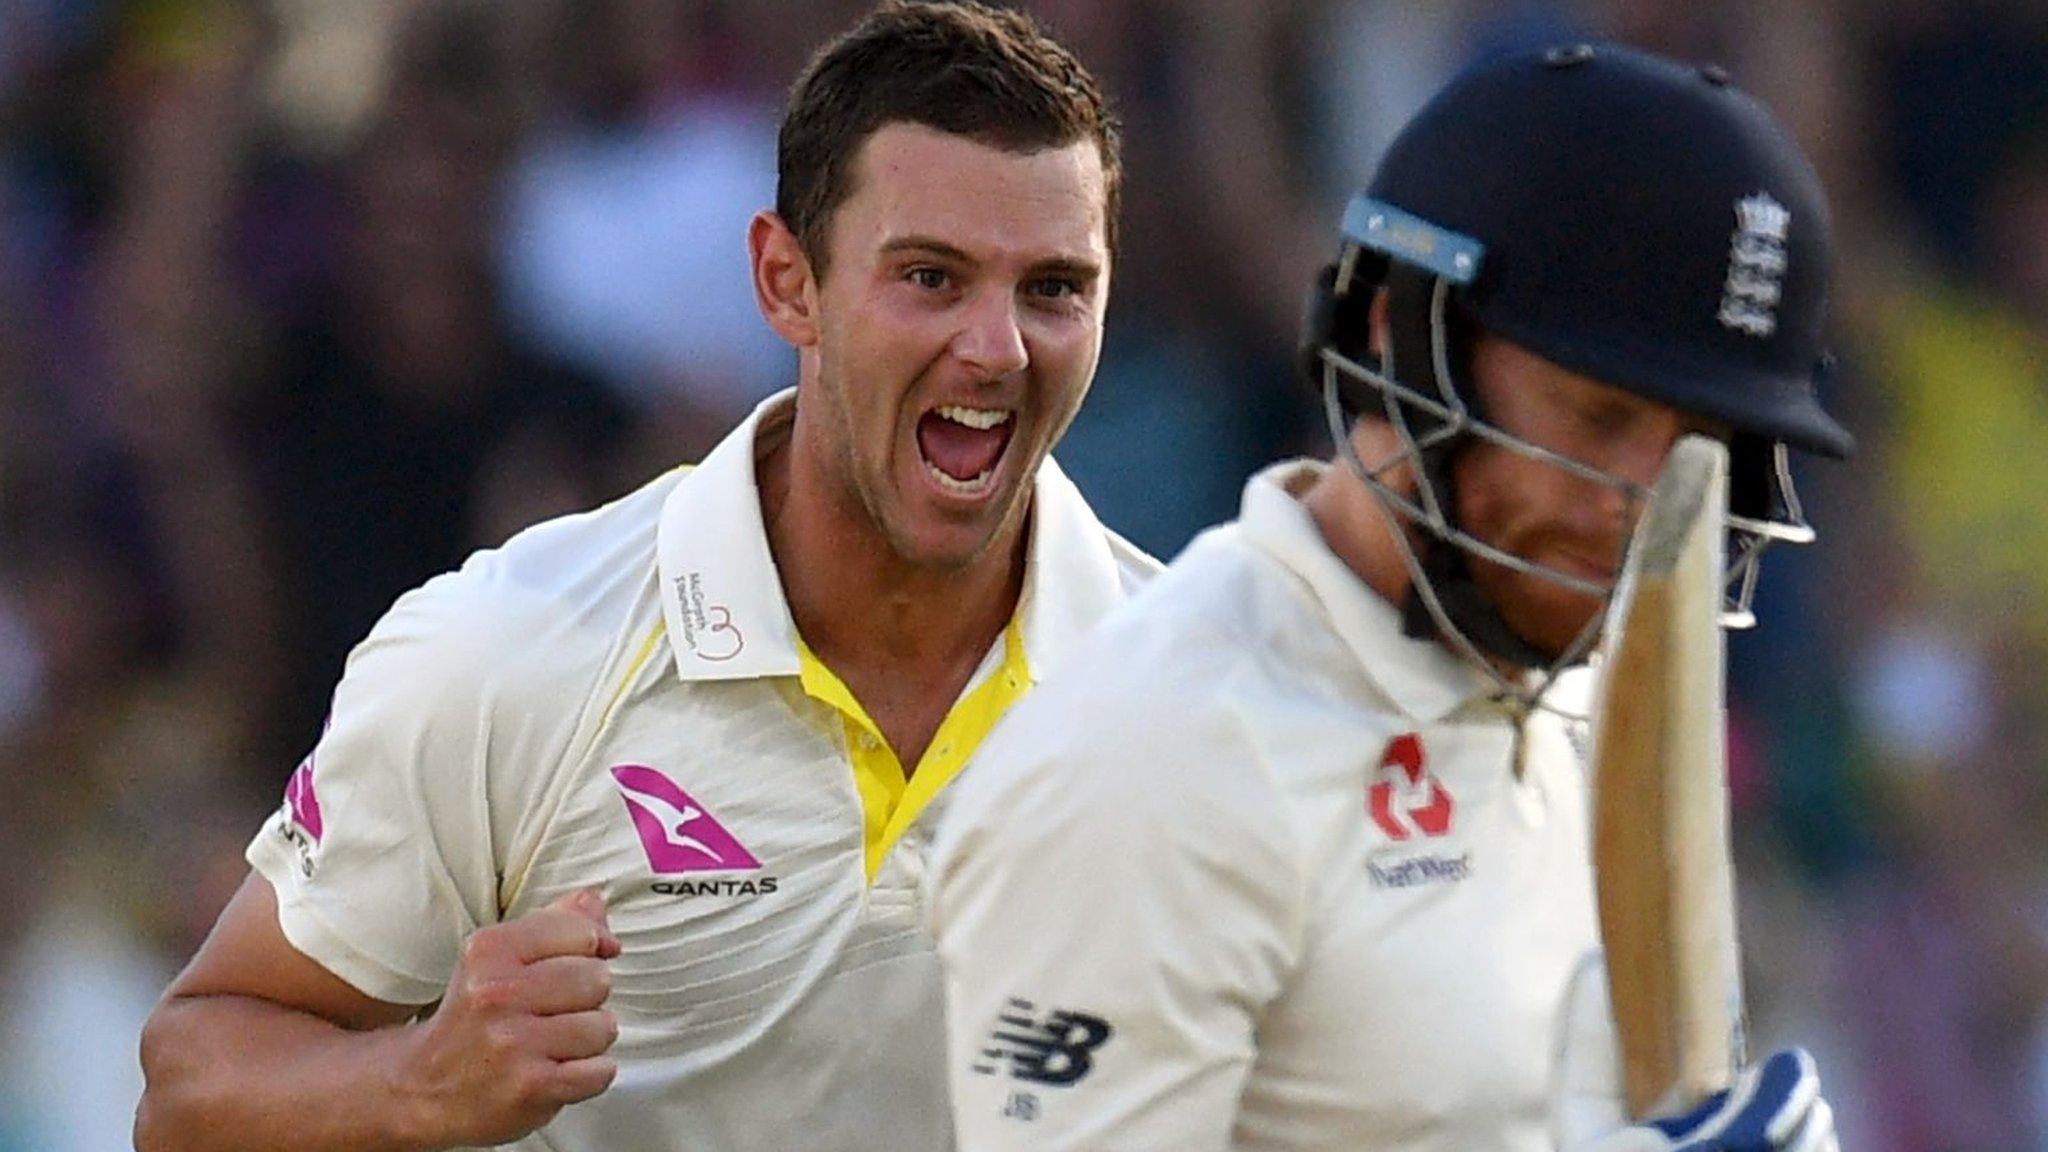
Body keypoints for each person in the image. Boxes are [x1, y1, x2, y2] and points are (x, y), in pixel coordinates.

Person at [134, 4, 1152, 1150]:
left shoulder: (1202, 699)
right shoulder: (509, 651)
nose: (997, 348)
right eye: (930, 276)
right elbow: (190, 1088)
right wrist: (417, 1080)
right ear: (786, 283)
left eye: (1054, 289)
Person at [929, 43, 1850, 1152]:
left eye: (1702, 450)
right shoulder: (1152, 757)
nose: (1642, 512)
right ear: (1396, 340)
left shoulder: (1603, 697)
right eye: (1597, 418)